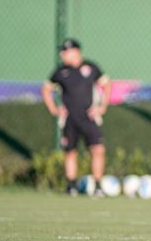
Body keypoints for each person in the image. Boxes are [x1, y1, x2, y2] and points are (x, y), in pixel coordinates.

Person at [41, 38, 112, 196]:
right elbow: (46, 89)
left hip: (89, 117)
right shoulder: (60, 72)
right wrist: (54, 108)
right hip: (69, 118)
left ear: (76, 52)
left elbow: (107, 84)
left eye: (65, 51)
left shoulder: (91, 67)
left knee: (98, 149)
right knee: (70, 152)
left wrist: (102, 106)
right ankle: (71, 185)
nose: (62, 54)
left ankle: (98, 186)